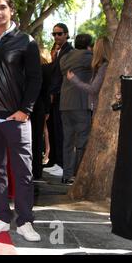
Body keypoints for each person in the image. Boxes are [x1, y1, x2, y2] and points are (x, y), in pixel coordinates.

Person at [0, 0, 42, 242]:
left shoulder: (26, 41)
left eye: (3, 7)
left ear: (11, 10)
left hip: (16, 119)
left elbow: (36, 79)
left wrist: (25, 110)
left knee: (23, 172)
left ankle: (25, 221)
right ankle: (2, 218)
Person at [59, 34, 93, 185]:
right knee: (82, 141)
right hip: (80, 103)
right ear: (89, 45)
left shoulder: (65, 58)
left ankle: (67, 175)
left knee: (67, 141)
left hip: (65, 105)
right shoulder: (88, 56)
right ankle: (78, 175)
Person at [47, 23, 73, 168]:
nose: (56, 36)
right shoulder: (57, 51)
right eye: (54, 34)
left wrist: (53, 92)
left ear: (66, 34)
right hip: (54, 96)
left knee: (60, 129)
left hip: (62, 96)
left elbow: (62, 75)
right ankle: (53, 159)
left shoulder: (69, 51)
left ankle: (61, 163)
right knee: (52, 128)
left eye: (59, 33)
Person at [67, 36, 111, 113]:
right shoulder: (102, 66)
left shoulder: (104, 67)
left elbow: (93, 89)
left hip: (99, 109)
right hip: (98, 107)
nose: (92, 49)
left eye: (94, 46)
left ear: (98, 49)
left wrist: (74, 79)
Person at [31, 48, 53, 180]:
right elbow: (47, 92)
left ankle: (34, 169)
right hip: (39, 108)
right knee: (37, 139)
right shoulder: (45, 69)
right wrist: (47, 110)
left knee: (32, 140)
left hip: (33, 107)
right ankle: (36, 170)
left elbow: (46, 91)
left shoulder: (39, 69)